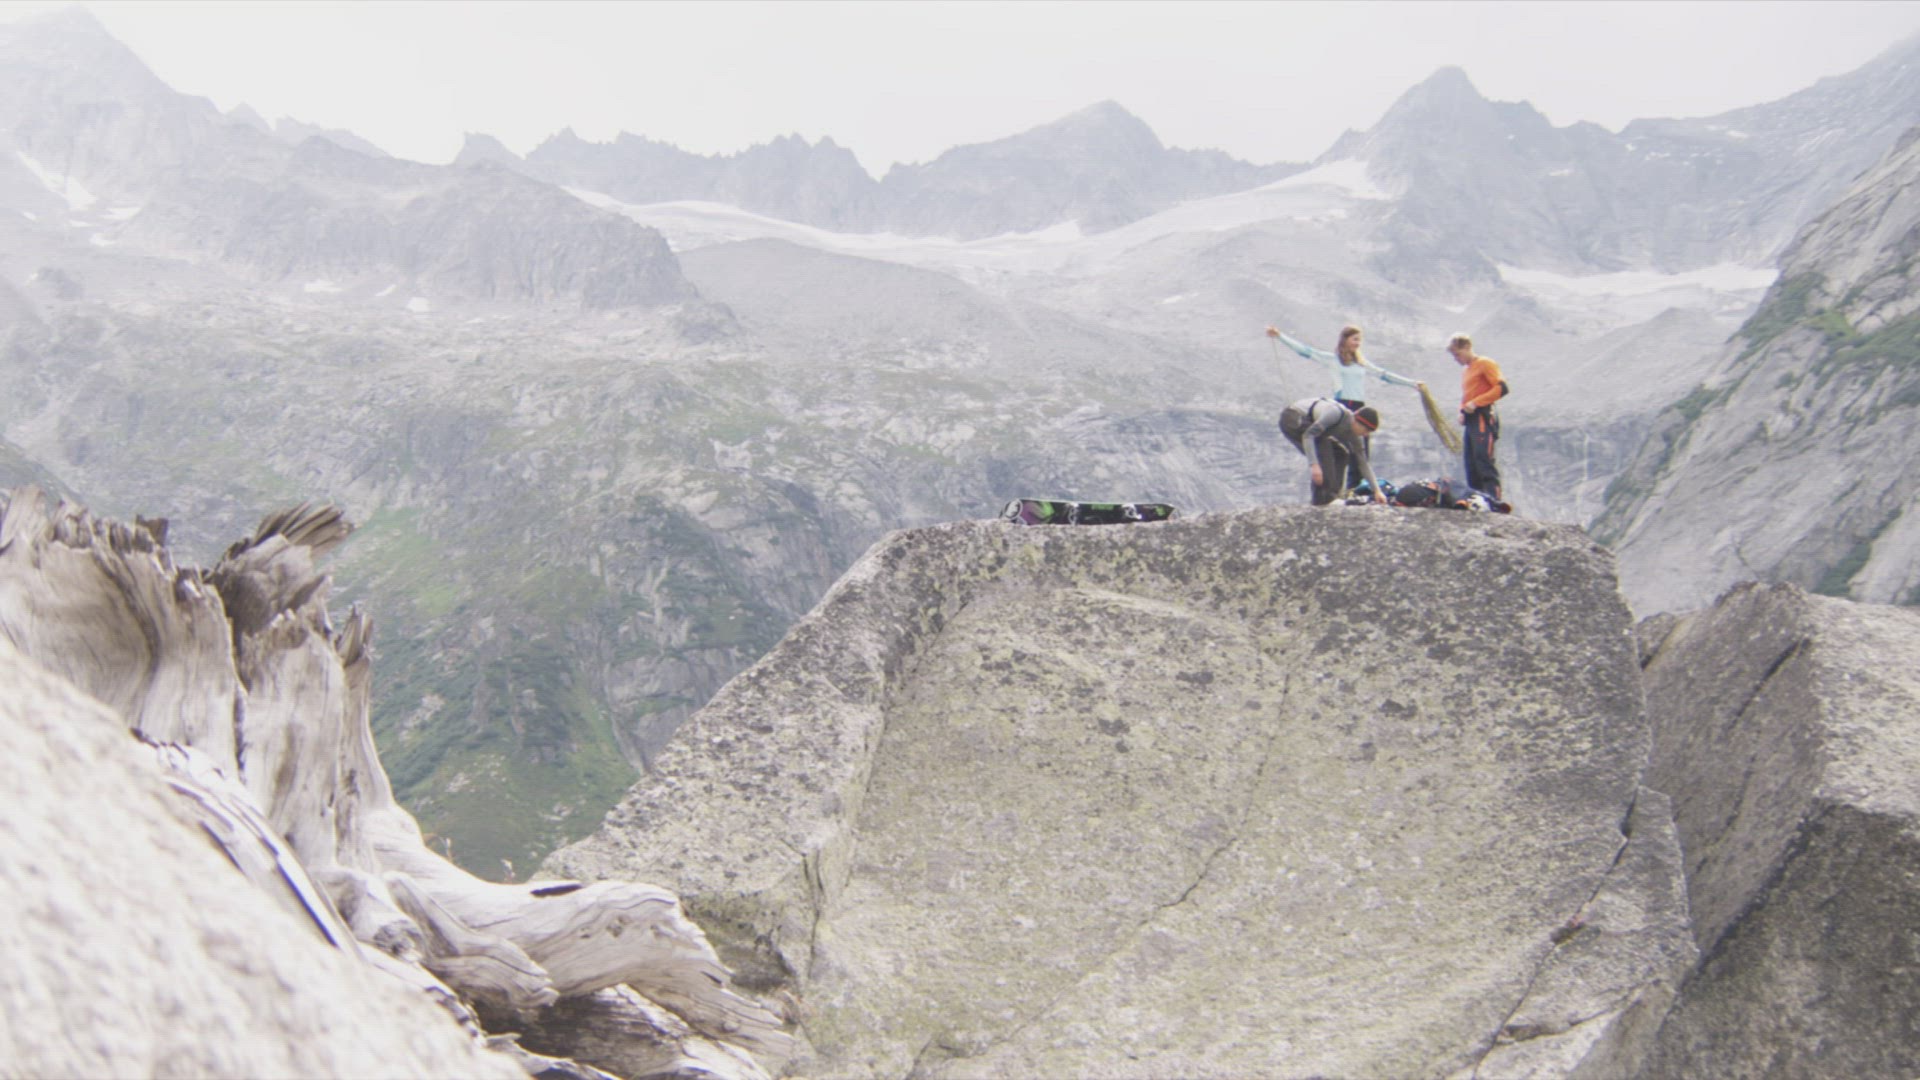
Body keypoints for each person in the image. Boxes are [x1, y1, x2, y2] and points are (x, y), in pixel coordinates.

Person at [1267, 324, 1423, 488]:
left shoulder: (1361, 363)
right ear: (1345, 340)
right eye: (1354, 339)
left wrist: (1412, 383)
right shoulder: (1332, 360)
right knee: (1341, 450)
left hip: (1359, 407)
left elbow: (1383, 374)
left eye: (1359, 340)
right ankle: (1334, 486)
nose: (1357, 343)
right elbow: (1306, 351)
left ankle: (1355, 487)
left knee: (1361, 452)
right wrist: (1280, 336)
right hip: (1341, 406)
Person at [1278, 397, 1387, 506]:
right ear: (1357, 422)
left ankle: (1334, 495)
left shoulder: (1356, 436)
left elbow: (1363, 463)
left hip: (1312, 427)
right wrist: (1314, 465)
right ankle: (1324, 499)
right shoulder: (1336, 414)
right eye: (1366, 430)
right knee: (1322, 448)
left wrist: (1377, 491)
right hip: (1293, 417)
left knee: (1341, 454)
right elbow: (1308, 435)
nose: (1366, 435)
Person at [1449, 332, 1505, 499]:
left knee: (1483, 459)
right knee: (1471, 462)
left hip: (1483, 415)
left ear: (1467, 347)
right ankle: (1477, 500)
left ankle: (1494, 501)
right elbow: (1468, 394)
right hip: (1471, 418)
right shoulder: (1466, 371)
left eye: (1458, 354)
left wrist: (1476, 403)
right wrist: (1462, 410)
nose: (1456, 359)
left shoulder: (1485, 363)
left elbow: (1501, 388)